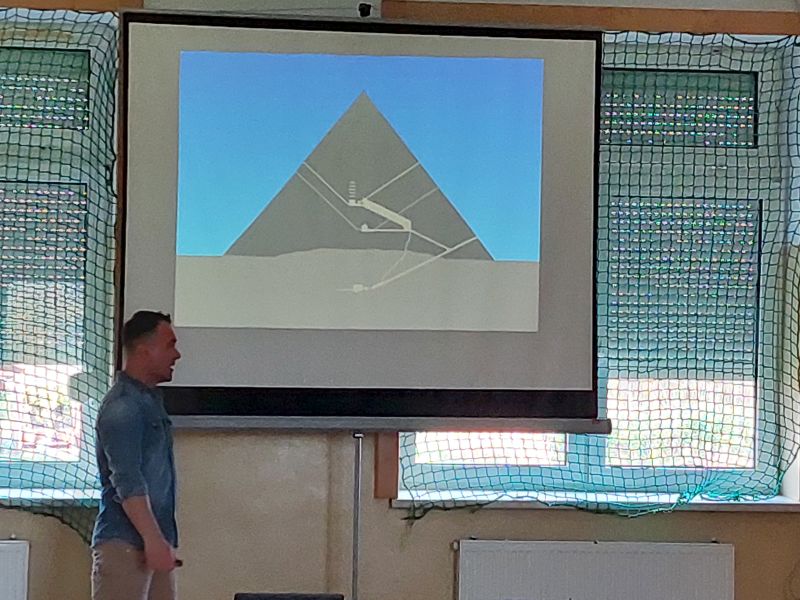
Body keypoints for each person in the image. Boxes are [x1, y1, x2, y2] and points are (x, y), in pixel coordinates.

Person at [91, 310, 182, 600]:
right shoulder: (123, 407)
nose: (177, 355)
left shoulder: (149, 402)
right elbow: (127, 481)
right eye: (170, 345)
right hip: (126, 547)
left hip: (153, 544)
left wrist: (159, 543)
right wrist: (153, 540)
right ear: (145, 350)